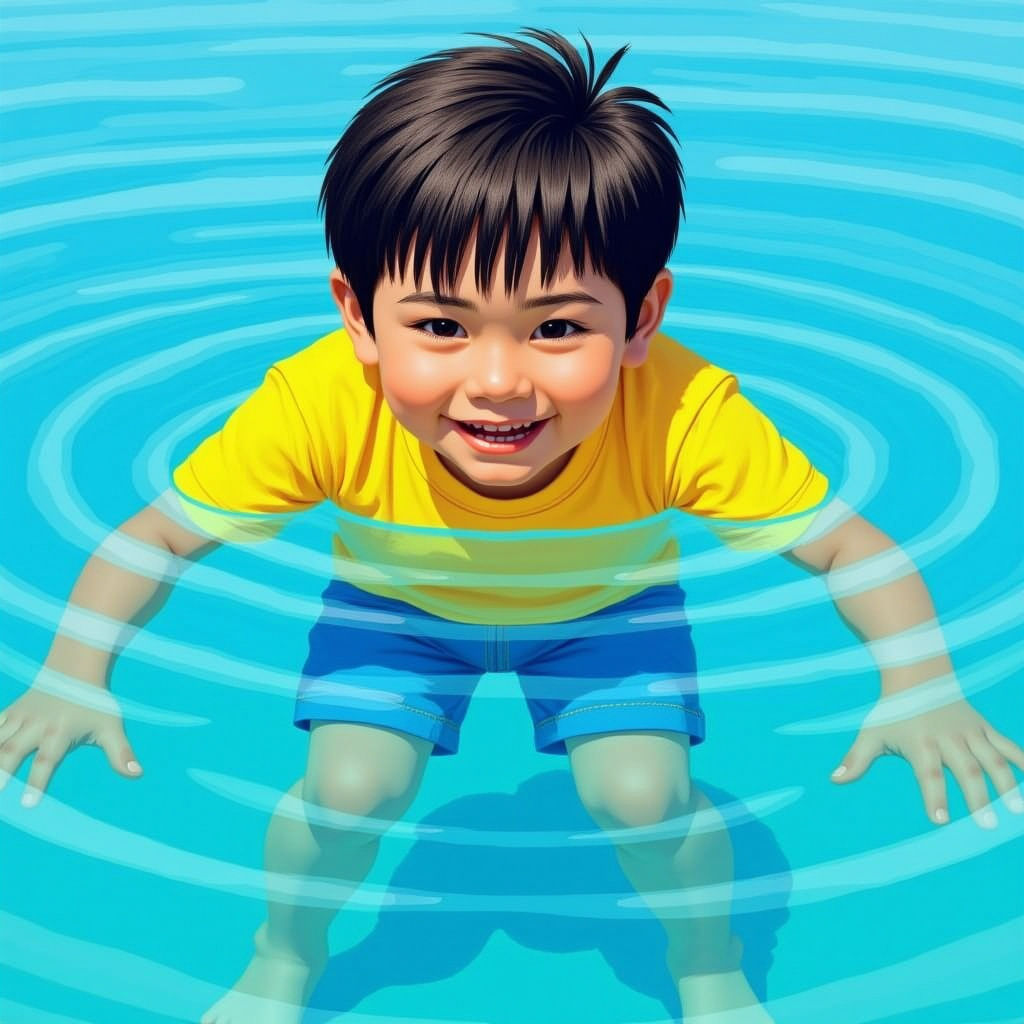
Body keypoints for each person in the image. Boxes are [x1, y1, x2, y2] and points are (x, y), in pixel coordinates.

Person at [3, 26, 1022, 1024]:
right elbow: (160, 536)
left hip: (605, 611)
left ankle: (708, 965)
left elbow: (847, 546)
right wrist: (74, 669)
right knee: (348, 790)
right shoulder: (318, 404)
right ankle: (285, 953)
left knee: (644, 796)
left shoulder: (682, 413)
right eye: (440, 325)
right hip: (397, 610)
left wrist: (920, 682)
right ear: (358, 315)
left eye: (558, 326)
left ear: (643, 316)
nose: (497, 381)